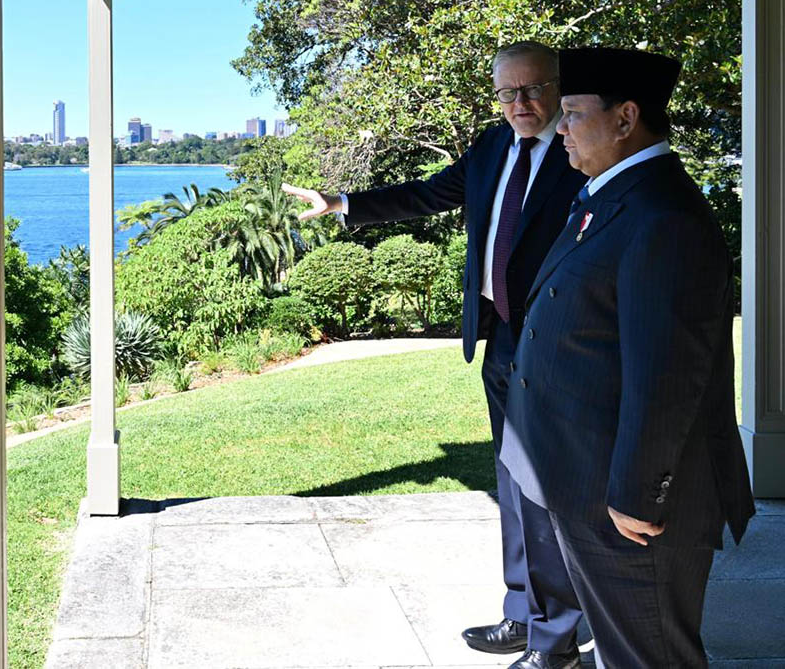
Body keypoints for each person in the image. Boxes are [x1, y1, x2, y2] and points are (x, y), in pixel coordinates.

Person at [284, 41, 587, 669]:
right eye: (507, 93)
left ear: (559, 86)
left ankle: (556, 640)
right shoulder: (493, 145)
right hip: (501, 333)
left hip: (558, 340)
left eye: (532, 89)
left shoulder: (582, 145)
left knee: (548, 486)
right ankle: (521, 613)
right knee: (510, 479)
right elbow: (429, 194)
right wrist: (342, 204)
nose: (520, 104)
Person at [499, 47, 756, 667]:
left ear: (625, 117)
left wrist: (640, 492)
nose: (559, 128)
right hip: (584, 476)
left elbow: (667, 374)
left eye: (573, 114)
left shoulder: (663, 215)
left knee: (649, 654)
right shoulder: (611, 194)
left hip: (628, 502)